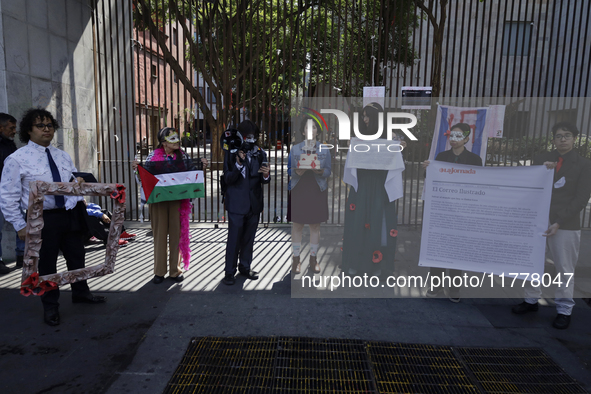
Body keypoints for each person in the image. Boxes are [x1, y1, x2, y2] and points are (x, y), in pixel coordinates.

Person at [0, 108, 106, 326]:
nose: (46, 129)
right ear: (28, 130)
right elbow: (8, 196)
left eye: (49, 125)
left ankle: (81, 292)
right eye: (40, 125)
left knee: (77, 256)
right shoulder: (16, 159)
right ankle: (50, 307)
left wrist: (78, 183)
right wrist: (20, 225)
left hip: (69, 213)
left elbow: (74, 179)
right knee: (47, 263)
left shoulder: (61, 155)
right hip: (42, 218)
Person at [511, 121, 591, 329]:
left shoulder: (584, 164)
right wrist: (543, 170)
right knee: (533, 262)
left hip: (565, 223)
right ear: (553, 139)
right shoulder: (542, 159)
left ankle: (564, 309)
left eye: (566, 135)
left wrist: (558, 221)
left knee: (565, 268)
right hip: (538, 219)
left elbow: (581, 199)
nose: (562, 139)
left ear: (574, 138)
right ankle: (531, 300)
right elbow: (529, 184)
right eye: (558, 136)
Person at [133, 127, 208, 284]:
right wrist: (137, 170)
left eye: (177, 138)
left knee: (176, 235)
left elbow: (193, 173)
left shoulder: (184, 157)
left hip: (177, 203)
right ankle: (159, 272)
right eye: (171, 139)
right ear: (163, 143)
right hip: (159, 203)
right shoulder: (153, 157)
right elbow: (145, 179)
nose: (177, 142)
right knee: (160, 237)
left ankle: (175, 271)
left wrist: (203, 167)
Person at [341, 103, 406, 277]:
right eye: (363, 116)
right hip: (362, 186)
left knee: (380, 225)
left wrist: (399, 146)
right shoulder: (358, 137)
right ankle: (355, 263)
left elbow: (397, 158)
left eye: (367, 116)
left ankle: (378, 265)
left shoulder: (390, 136)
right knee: (358, 223)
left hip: (380, 187)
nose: (365, 119)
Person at [422, 122, 483, 302]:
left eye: (458, 136)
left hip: (462, 212)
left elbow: (479, 184)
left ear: (466, 139)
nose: (454, 139)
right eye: (452, 135)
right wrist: (427, 169)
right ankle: (436, 283)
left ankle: (454, 287)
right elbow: (431, 179)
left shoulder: (474, 160)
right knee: (438, 246)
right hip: (441, 210)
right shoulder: (441, 156)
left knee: (457, 249)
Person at [222, 120, 270, 285]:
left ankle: (245, 267)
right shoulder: (230, 153)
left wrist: (266, 174)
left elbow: (264, 180)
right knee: (234, 239)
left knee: (249, 238)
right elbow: (228, 178)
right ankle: (229, 271)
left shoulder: (260, 153)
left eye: (253, 136)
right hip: (236, 203)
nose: (250, 139)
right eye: (247, 136)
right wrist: (238, 164)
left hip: (254, 204)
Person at [288, 117, 332, 275]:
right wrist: (296, 171)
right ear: (302, 131)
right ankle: (296, 258)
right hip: (299, 187)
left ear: (317, 131)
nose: (310, 130)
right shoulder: (295, 149)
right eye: (307, 127)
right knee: (298, 225)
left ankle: (313, 258)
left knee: (315, 226)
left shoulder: (324, 149)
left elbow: (328, 170)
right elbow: (289, 170)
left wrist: (320, 171)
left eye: (314, 127)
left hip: (316, 188)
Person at [0, 113, 24, 274]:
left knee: (21, 221)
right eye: (11, 128)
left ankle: (22, 255)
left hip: (14, 190)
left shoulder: (9, 144)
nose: (14, 131)